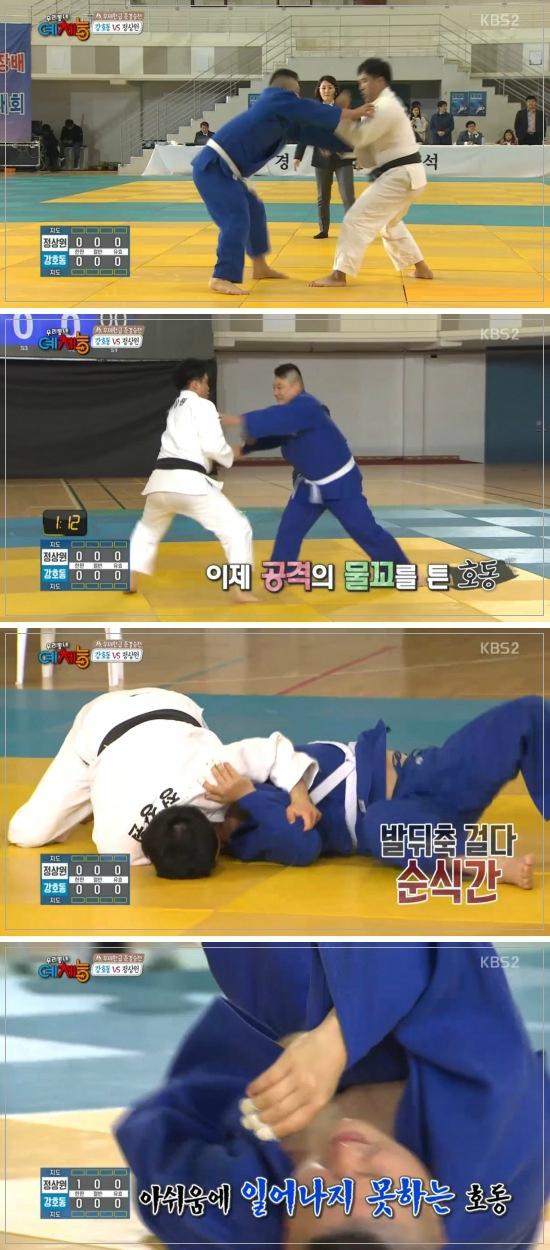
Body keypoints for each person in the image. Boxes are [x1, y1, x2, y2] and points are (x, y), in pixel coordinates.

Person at [116, 942, 549, 1248]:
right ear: (438, 1230)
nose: (344, 1153)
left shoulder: (250, 1222)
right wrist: (338, 1039)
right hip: (408, 1000)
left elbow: (157, 1148)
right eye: (379, 1183)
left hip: (275, 990)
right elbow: (440, 940)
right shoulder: (500, 1152)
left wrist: (267, 1102)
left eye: (319, 1190)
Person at [142, 696, 544, 891]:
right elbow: (304, 845)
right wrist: (248, 795)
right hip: (403, 821)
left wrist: (250, 790)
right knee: (379, 828)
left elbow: (275, 748)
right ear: (216, 851)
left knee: (525, 714)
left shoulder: (222, 778)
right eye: (217, 835)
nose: (220, 824)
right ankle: (485, 864)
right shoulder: (249, 839)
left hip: (427, 774)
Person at [7, 687, 320, 866]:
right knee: (26, 834)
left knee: (32, 833)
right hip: (102, 723)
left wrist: (299, 797)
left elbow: (276, 749)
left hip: (171, 710)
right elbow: (275, 750)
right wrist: (298, 797)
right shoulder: (119, 846)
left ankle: (95, 796)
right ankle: (94, 792)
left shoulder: (213, 775)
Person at [191, 67, 366, 295]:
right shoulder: (271, 99)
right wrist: (349, 113)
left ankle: (260, 266)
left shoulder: (283, 121)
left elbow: (313, 134)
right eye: (295, 91)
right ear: (283, 89)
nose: (297, 96)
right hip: (213, 168)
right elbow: (306, 108)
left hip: (228, 173)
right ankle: (221, 276)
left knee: (254, 209)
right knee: (236, 216)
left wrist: (353, 144)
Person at [222, 363, 411, 570]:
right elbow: (277, 435)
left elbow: (274, 417)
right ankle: (280, 573)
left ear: (296, 386)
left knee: (365, 531)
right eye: (274, 388)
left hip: (340, 484)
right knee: (289, 529)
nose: (275, 392)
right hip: (309, 486)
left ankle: (403, 570)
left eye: (280, 387)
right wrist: (244, 449)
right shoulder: (291, 415)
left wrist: (237, 420)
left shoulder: (307, 405)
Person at [128, 358, 255, 603]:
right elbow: (213, 447)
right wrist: (233, 453)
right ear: (195, 384)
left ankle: (131, 577)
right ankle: (241, 588)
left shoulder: (174, 409)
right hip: (189, 484)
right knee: (237, 528)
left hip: (159, 484)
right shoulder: (203, 405)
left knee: (147, 529)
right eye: (206, 382)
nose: (208, 388)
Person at [309, 59, 433, 288]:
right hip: (406, 176)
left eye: (366, 81)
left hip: (400, 176)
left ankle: (339, 275)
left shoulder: (386, 106)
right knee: (390, 224)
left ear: (380, 80)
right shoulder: (373, 110)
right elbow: (365, 155)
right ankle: (421, 267)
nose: (362, 86)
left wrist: (342, 118)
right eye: (360, 82)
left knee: (354, 219)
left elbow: (358, 138)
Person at [293, 75, 355, 239]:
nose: (326, 90)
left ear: (335, 90)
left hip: (343, 158)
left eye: (330, 87)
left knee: (348, 196)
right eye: (323, 88)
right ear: (319, 91)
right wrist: (298, 155)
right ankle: (323, 229)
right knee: (322, 197)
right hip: (321, 160)